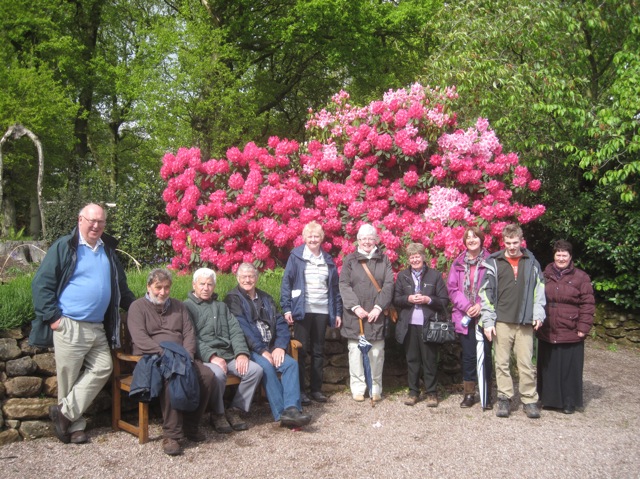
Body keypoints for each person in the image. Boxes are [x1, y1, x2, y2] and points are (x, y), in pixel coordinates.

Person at [30, 203, 136, 445]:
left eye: (101, 222)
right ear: (80, 220)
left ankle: (64, 413)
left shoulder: (107, 250)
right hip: (70, 324)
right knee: (68, 378)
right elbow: (41, 284)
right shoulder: (65, 247)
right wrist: (54, 318)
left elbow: (122, 287)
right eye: (92, 221)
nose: (96, 226)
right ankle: (74, 427)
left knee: (103, 368)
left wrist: (141, 306)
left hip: (98, 326)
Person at [127, 269, 215, 455]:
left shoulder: (178, 306)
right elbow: (140, 338)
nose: (163, 292)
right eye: (158, 287)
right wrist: (164, 353)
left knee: (207, 375)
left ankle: (191, 426)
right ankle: (172, 435)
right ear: (148, 287)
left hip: (181, 355)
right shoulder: (137, 307)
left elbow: (189, 333)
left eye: (167, 287)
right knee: (173, 376)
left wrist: (188, 355)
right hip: (153, 357)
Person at [225, 263, 311, 428]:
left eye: (251, 276)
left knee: (291, 364)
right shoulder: (233, 299)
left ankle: (292, 409)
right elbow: (243, 329)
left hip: (271, 346)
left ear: (256, 278)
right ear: (237, 278)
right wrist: (262, 350)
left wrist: (279, 346)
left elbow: (281, 324)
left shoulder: (266, 297)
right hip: (250, 348)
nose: (248, 280)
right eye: (244, 277)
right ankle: (281, 414)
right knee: (266, 366)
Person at [185, 267, 263, 433]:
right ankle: (218, 413)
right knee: (218, 374)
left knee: (255, 370)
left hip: (228, 354)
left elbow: (235, 330)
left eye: (210, 284)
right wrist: (212, 356)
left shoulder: (221, 306)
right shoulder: (187, 307)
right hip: (205, 358)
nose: (206, 288)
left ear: (214, 286)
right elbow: (192, 337)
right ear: (194, 285)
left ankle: (235, 410)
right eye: (202, 284)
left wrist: (241, 353)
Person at [479, 224, 546, 419]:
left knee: (525, 362)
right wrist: (489, 322)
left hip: (525, 321)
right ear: (503, 241)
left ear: (521, 240)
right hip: (501, 321)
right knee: (501, 362)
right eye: (508, 243)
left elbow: (539, 290)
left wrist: (538, 314)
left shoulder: (531, 262)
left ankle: (529, 399)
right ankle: (504, 398)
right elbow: (486, 293)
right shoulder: (494, 261)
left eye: (515, 242)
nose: (512, 246)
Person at [281, 221, 343, 405]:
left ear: (321, 238)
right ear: (304, 238)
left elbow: (334, 289)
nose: (313, 239)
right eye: (310, 236)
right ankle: (300, 390)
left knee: (318, 351)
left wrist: (337, 312)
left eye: (317, 236)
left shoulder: (328, 260)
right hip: (302, 310)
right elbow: (287, 283)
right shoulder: (296, 256)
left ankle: (316, 389)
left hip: (322, 310)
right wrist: (286, 308)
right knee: (301, 351)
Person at [536, 240, 595, 414]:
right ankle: (549, 400)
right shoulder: (544, 275)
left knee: (569, 369)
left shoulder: (581, 277)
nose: (561, 258)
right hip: (548, 328)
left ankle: (569, 402)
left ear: (570, 257)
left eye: (564, 255)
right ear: (554, 256)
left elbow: (588, 304)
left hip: (570, 328)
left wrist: (583, 327)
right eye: (558, 255)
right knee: (549, 368)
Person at [339, 223, 394, 403]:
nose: (367, 242)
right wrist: (356, 307)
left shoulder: (384, 260)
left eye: (371, 238)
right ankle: (358, 387)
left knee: (377, 353)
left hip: (376, 315)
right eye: (363, 238)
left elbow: (388, 285)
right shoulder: (350, 260)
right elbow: (344, 285)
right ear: (358, 240)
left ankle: (375, 387)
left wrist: (378, 307)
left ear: (376, 240)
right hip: (356, 316)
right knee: (355, 352)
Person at [394, 243, 449, 407]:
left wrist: (428, 300)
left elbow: (444, 300)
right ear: (408, 259)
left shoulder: (435, 276)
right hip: (409, 324)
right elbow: (396, 299)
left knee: (429, 360)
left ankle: (431, 393)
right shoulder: (403, 276)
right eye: (412, 256)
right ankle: (413, 392)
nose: (415, 259)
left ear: (424, 257)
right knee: (412, 359)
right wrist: (408, 299)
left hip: (429, 323)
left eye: (418, 256)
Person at [447, 227, 493, 409]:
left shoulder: (491, 261)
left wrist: (480, 306)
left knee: (486, 356)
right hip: (464, 315)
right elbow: (452, 289)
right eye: (468, 238)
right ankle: (469, 394)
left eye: (475, 237)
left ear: (482, 240)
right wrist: (467, 306)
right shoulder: (458, 263)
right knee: (468, 356)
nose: (471, 240)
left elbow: (493, 287)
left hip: (485, 316)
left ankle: (486, 393)